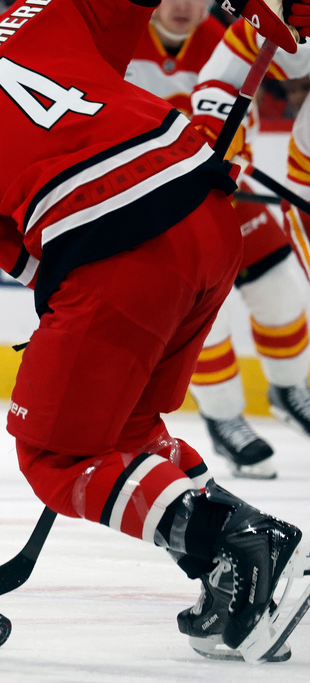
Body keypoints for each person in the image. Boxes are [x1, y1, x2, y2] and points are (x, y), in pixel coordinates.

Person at [0, 0, 310, 663]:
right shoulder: (34, 12)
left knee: (54, 454)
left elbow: (40, 264)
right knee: (125, 433)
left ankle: (243, 544)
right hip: (207, 213)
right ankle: (232, 570)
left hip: (123, 254)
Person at [164, 18, 310, 478]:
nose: (182, 4)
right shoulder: (117, 40)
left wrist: (230, 152)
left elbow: (247, 90)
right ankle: (223, 415)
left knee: (282, 291)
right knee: (209, 312)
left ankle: (289, 390)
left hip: (227, 187)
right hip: (160, 200)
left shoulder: (214, 35)